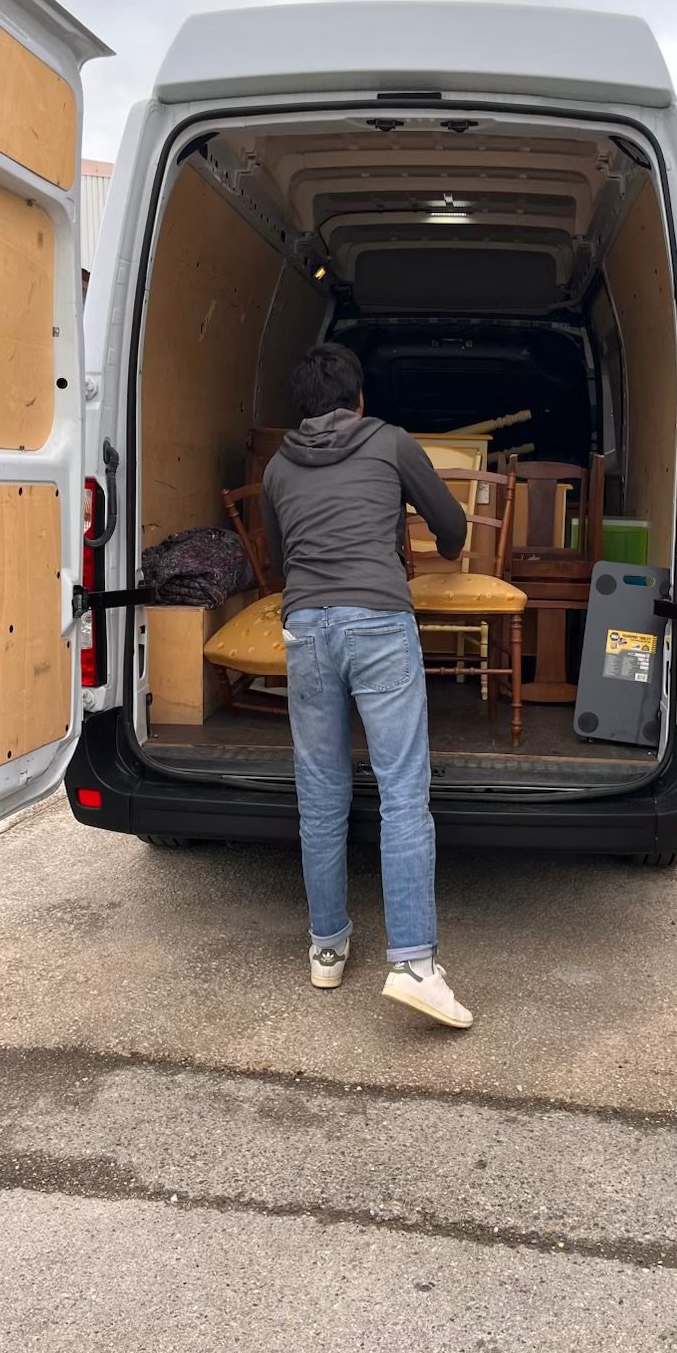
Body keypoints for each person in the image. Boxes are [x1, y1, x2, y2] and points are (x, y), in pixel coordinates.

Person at [261, 343, 474, 1028]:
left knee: (321, 792)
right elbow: (450, 525)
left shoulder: (276, 466)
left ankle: (327, 946)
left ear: (302, 408)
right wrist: (444, 550)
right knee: (402, 793)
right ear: (358, 399)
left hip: (306, 627)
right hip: (379, 621)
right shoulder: (390, 442)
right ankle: (414, 966)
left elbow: (278, 558)